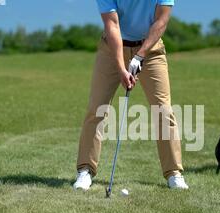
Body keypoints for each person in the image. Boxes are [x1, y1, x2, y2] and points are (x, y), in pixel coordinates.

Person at [74, 0, 188, 191]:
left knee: (163, 110)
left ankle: (174, 173)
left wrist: (140, 55)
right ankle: (85, 170)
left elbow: (161, 20)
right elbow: (112, 24)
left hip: (151, 50)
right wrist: (121, 67)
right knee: (97, 109)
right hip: (111, 49)